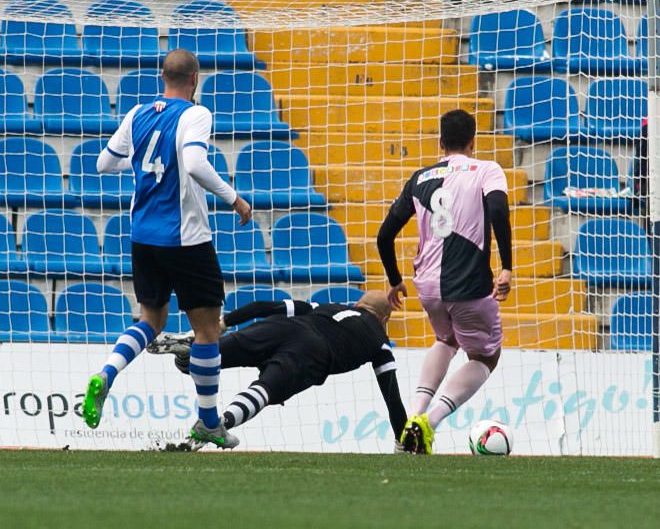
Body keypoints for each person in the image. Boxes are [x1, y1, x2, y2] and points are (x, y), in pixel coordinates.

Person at [81, 49, 252, 450]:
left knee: (151, 320)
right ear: (194, 78)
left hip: (143, 235)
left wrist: (144, 165)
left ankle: (107, 373)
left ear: (163, 76)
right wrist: (235, 199)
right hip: (186, 238)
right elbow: (193, 163)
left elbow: (104, 163)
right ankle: (209, 422)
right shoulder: (196, 113)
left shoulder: (138, 112)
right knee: (208, 330)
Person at [376, 109, 512, 454]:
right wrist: (507, 266)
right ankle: (429, 422)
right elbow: (497, 209)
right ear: (472, 141)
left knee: (446, 338)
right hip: (468, 285)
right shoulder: (486, 169)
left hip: (428, 286)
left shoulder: (420, 178)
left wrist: (394, 281)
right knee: (485, 357)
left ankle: (413, 417)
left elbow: (384, 235)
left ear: (440, 141)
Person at [148, 291, 408, 451]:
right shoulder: (379, 343)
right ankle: (217, 425)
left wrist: (224, 323)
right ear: (385, 318)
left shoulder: (328, 308)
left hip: (286, 326)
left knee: (213, 353)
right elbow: (392, 399)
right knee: (264, 390)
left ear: (359, 303)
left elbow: (267, 306)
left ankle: (190, 349)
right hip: (314, 351)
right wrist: (403, 440)